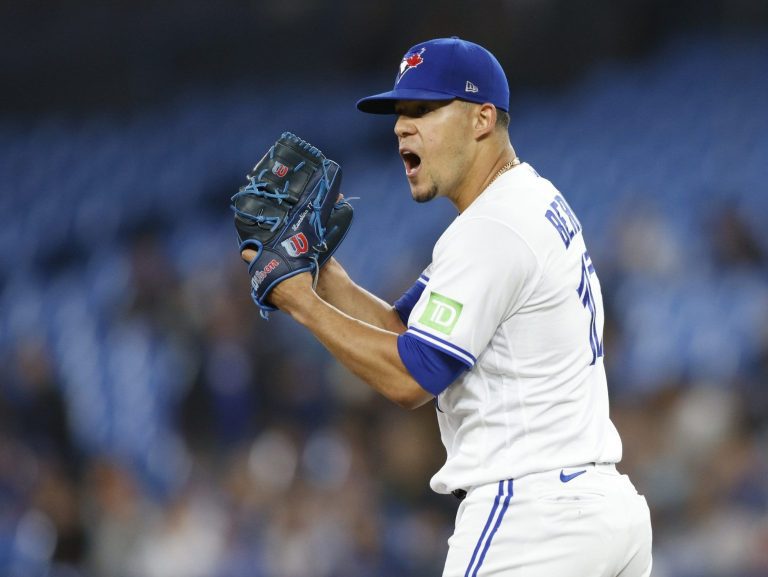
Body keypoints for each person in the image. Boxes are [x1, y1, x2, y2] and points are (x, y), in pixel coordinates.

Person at [244, 37, 652, 576]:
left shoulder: (493, 227)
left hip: (532, 518)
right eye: (398, 113)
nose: (400, 127)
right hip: (600, 512)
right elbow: (403, 329)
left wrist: (298, 301)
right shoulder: (527, 200)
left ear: (482, 118)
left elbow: (412, 378)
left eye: (422, 110)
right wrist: (324, 276)